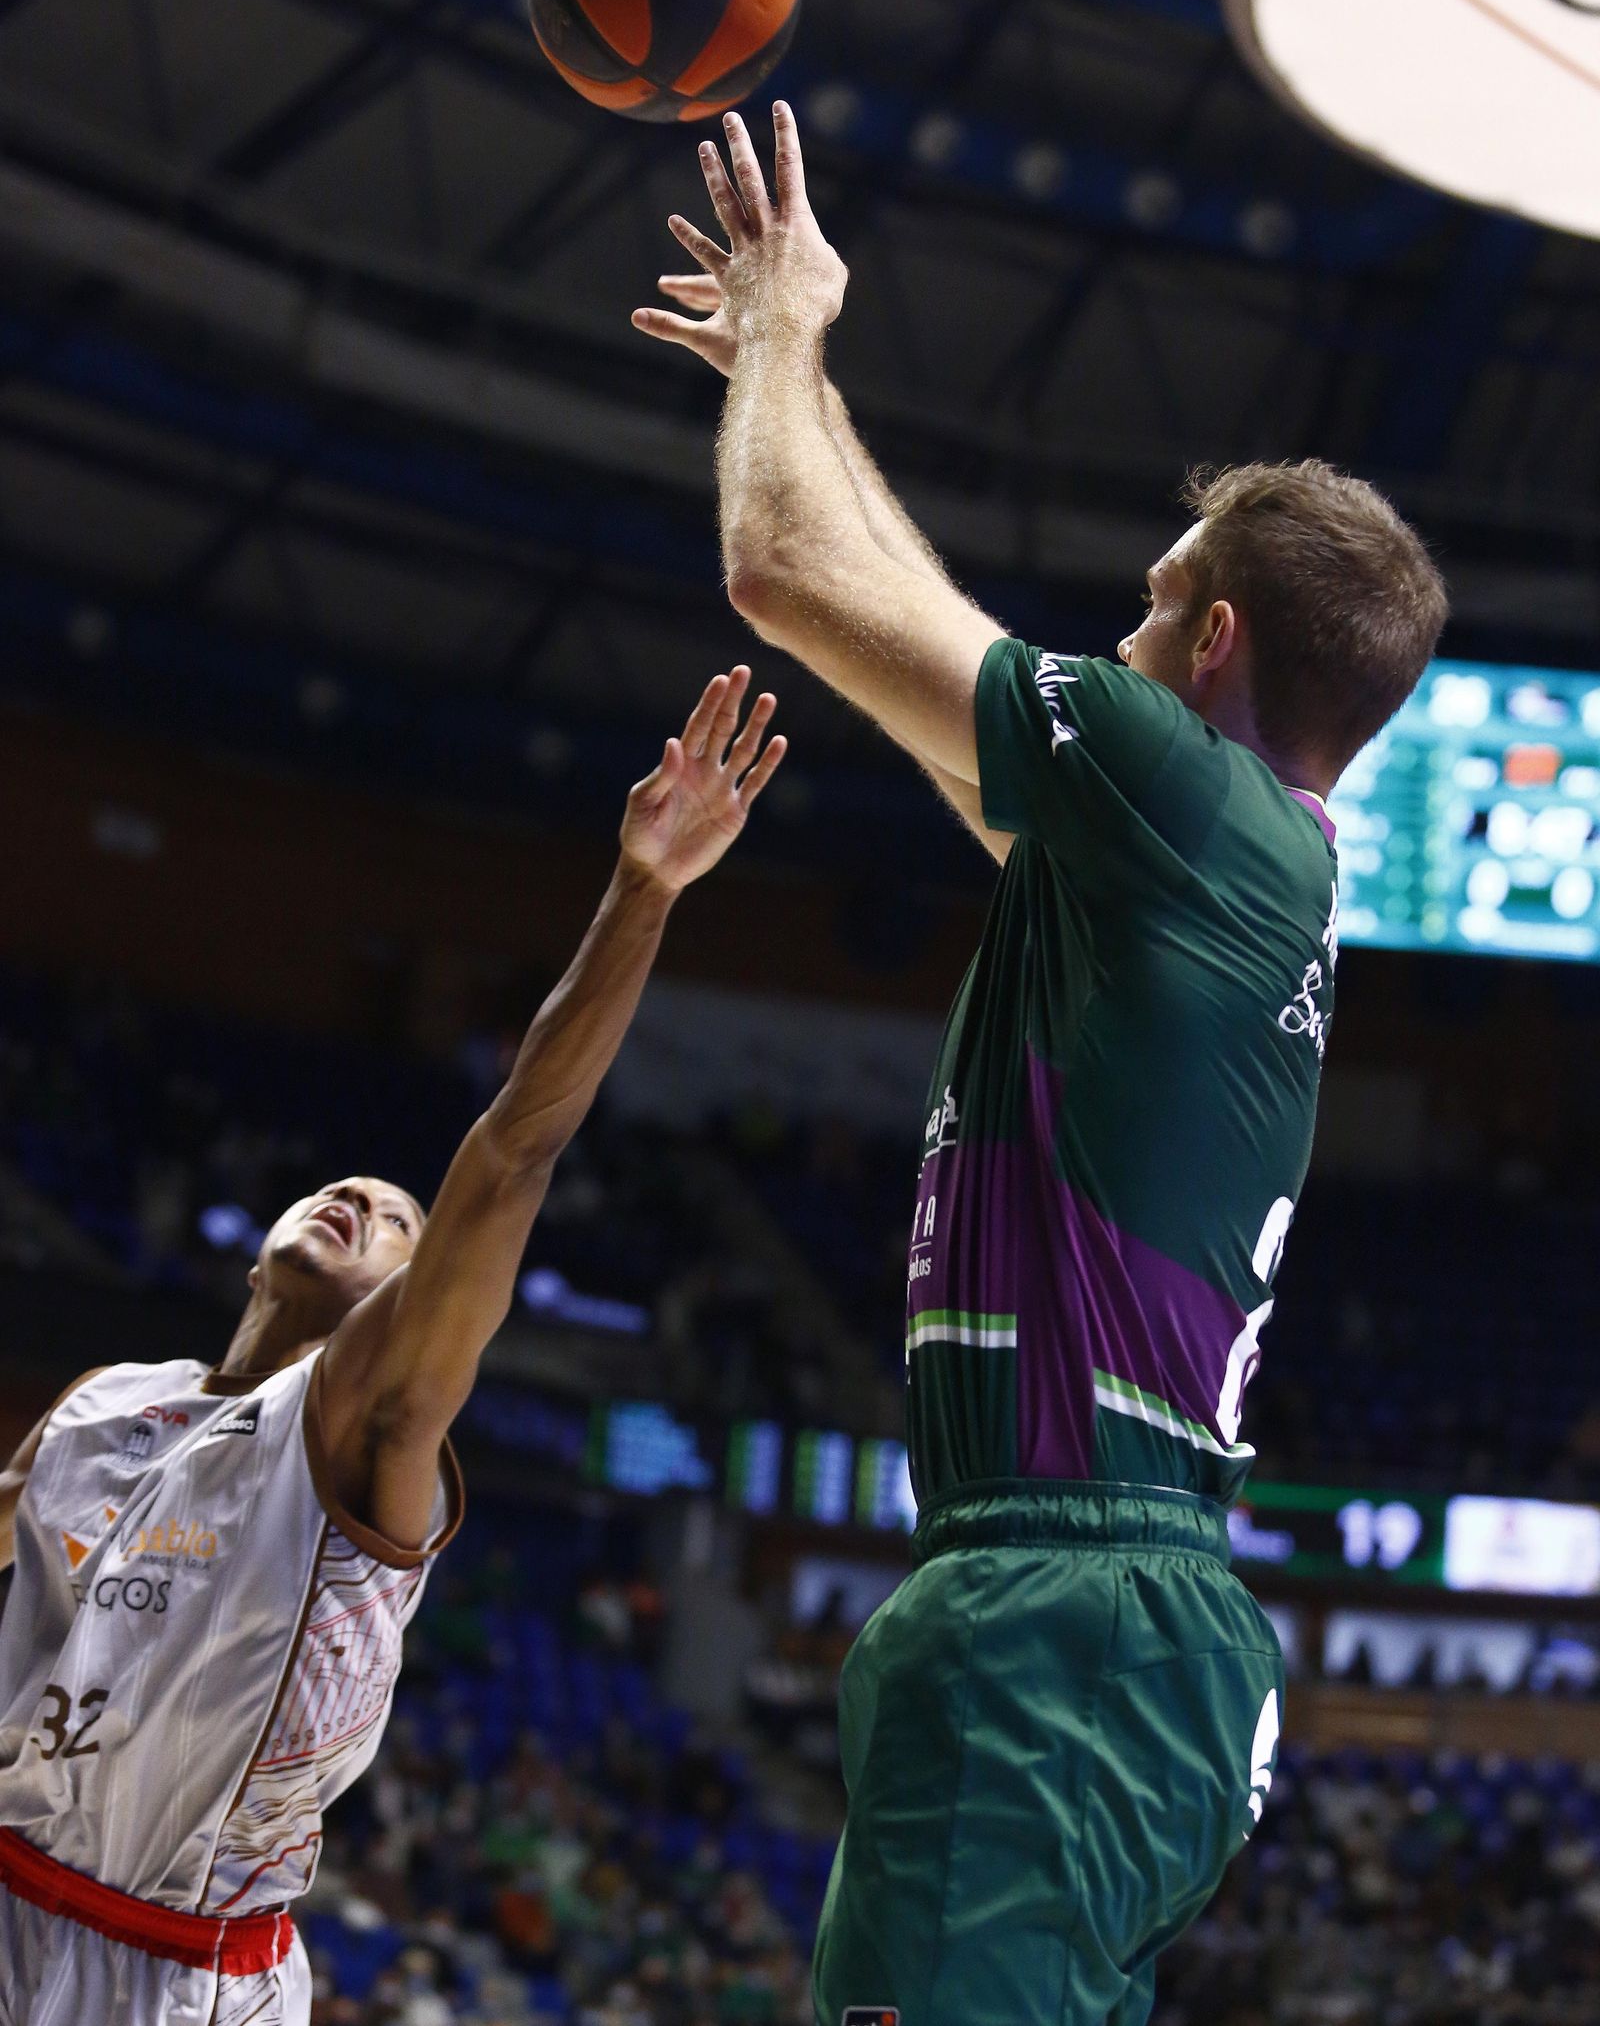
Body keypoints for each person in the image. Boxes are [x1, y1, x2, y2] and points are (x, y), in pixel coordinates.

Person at [633, 101, 1448, 2026]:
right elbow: (911, 686)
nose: (1122, 619)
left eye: (1158, 597)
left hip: (1063, 1606)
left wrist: (775, 340)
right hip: (1120, 1616)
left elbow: (780, 577)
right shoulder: (1226, 869)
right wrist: (802, 360)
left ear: (1217, 637)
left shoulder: (1183, 793)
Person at [0, 671, 785, 2026]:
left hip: (176, 1978)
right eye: (346, 1193)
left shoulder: (361, 1421)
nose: (364, 1199)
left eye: (399, 1220)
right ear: (256, 1252)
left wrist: (641, 892)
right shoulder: (101, 1406)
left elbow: (515, 1154)